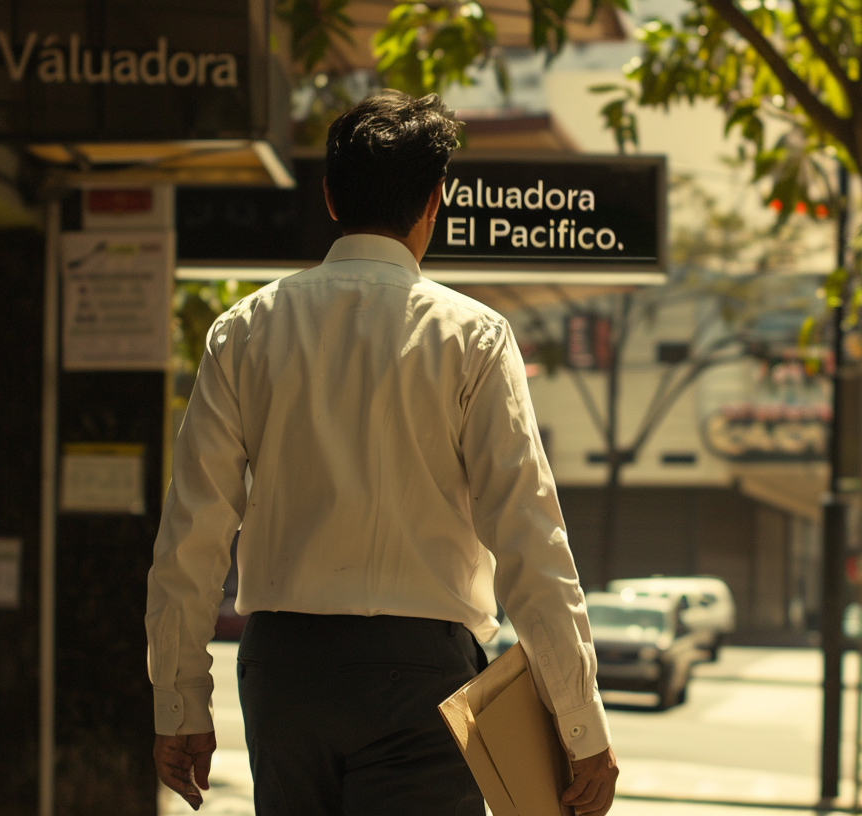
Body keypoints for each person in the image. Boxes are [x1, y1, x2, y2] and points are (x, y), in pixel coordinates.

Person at [146, 91, 618, 816]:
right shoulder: (475, 338)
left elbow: (192, 535)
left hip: (283, 671)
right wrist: (579, 722)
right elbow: (529, 537)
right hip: (422, 676)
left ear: (330, 196)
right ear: (436, 200)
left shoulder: (243, 330)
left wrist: (180, 705)